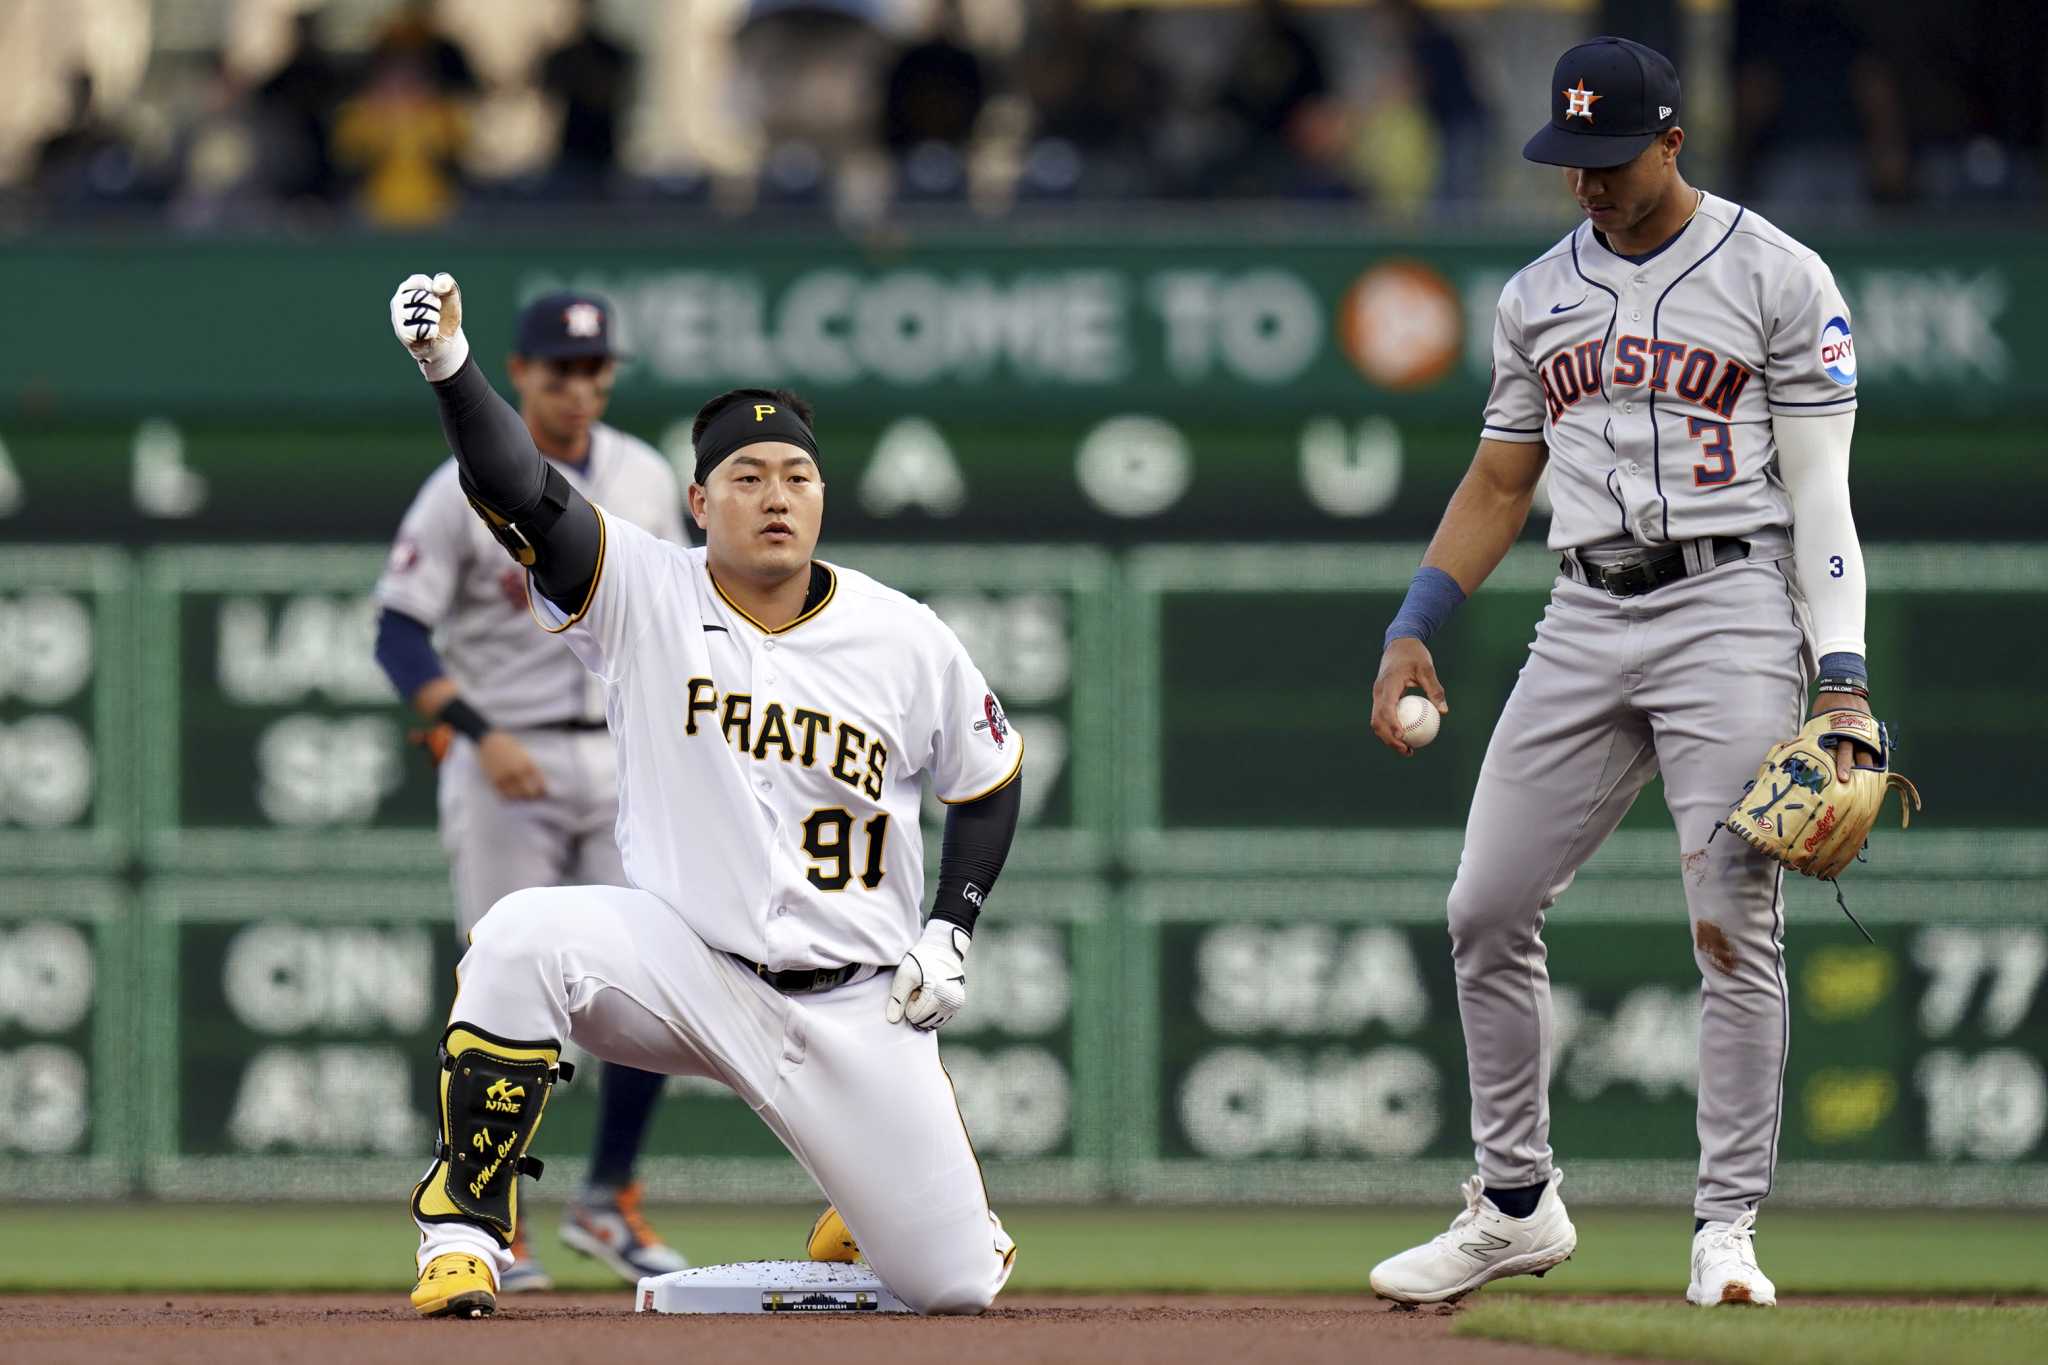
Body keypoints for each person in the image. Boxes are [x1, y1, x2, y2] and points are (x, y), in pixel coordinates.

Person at [385, 272, 1025, 1319]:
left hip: (857, 1001)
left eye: (796, 478)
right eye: (745, 476)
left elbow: (989, 778)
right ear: (698, 501)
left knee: (952, 1285)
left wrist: (950, 927)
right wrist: (449, 367)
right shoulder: (642, 590)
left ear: (822, 497)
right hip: (690, 968)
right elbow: (517, 486)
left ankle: (865, 1206)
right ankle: (463, 1228)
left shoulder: (903, 635)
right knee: (516, 937)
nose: (776, 495)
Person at [1365, 37, 1872, 1310]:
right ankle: (1514, 1205)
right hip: (1582, 610)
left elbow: (1818, 492)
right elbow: (1497, 481)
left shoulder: (1776, 274)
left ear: (1668, 139)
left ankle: (1724, 1231)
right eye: (1567, 159)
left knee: (1728, 924)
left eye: (1606, 157)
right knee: (1483, 905)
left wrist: (1841, 676)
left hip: (1732, 603)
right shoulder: (1536, 294)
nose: (1584, 182)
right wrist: (1414, 618)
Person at [373, 291, 690, 1294]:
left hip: (624, 758)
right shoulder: (459, 484)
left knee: (653, 980)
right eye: (560, 370)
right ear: (517, 373)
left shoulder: (644, 475)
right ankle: (488, 1213)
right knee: (502, 986)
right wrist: (469, 730)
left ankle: (607, 1193)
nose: (581, 386)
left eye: (596, 369)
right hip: (505, 762)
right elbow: (396, 630)